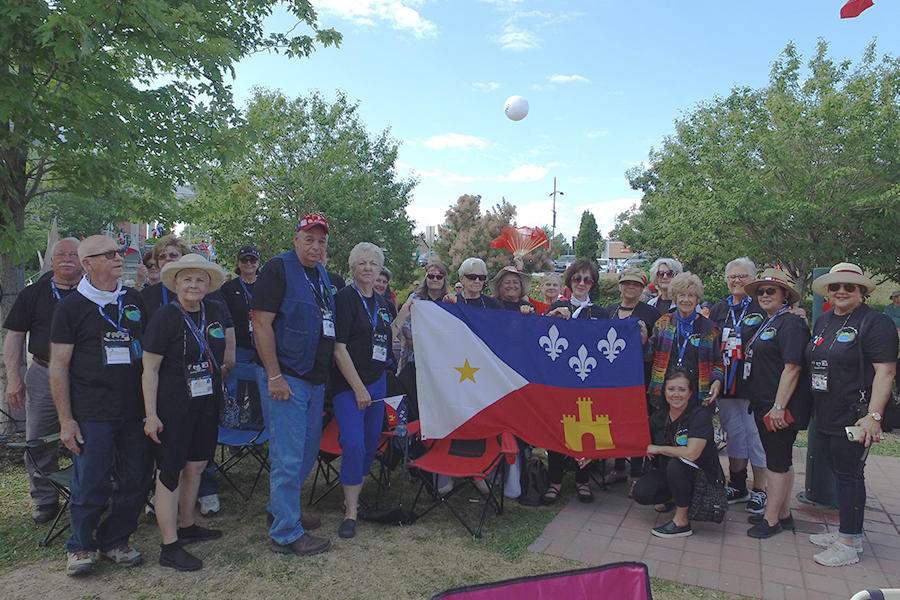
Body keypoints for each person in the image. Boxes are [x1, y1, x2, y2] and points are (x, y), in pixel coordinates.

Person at [49, 235, 148, 576]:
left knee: (136, 479)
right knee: (91, 483)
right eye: (109, 254)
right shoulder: (70, 307)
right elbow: (58, 366)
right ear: (87, 264)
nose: (119, 258)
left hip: (135, 410)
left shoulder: (133, 299)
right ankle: (80, 546)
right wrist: (66, 420)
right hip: (92, 412)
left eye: (120, 252)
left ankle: (115, 539)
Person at [805, 263, 898, 567]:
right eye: (835, 287)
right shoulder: (824, 320)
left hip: (855, 415)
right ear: (827, 292)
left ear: (861, 292)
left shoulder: (876, 322)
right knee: (843, 473)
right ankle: (851, 533)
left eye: (849, 286)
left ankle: (847, 543)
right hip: (826, 411)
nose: (841, 291)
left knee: (848, 476)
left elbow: (885, 372)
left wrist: (875, 415)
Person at [252, 212, 334, 557]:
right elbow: (260, 323)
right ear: (296, 239)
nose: (315, 246)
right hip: (286, 377)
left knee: (306, 450)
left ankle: (283, 509)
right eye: (309, 239)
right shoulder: (277, 269)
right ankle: (285, 533)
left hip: (314, 379)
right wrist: (274, 376)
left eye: (321, 241)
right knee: (287, 456)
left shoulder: (322, 276)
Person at [142, 255, 230, 570]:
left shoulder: (215, 311)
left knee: (196, 467)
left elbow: (220, 354)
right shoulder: (165, 317)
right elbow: (149, 369)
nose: (193, 285)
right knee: (169, 472)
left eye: (200, 280)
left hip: (205, 405)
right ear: (176, 283)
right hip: (173, 407)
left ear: (208, 285)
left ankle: (188, 525)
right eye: (187, 279)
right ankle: (169, 546)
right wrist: (151, 415)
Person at [3, 238, 82, 524]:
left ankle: (89, 491)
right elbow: (14, 337)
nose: (67, 259)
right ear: (51, 261)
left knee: (93, 435)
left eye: (74, 254)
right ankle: (45, 498)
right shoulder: (32, 294)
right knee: (38, 439)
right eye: (60, 254)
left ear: (84, 260)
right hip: (43, 373)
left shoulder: (94, 293)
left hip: (86, 376)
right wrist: (14, 378)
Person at [740, 269, 811, 539]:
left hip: (778, 406)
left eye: (771, 291)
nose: (765, 295)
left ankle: (771, 520)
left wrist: (779, 406)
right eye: (761, 291)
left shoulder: (790, 324)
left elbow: (792, 368)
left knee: (776, 463)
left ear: (785, 296)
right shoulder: (769, 322)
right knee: (780, 459)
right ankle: (783, 512)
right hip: (765, 403)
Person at [332, 243, 393, 539]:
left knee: (370, 443)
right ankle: (351, 512)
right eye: (362, 263)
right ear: (353, 268)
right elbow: (338, 348)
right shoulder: (343, 298)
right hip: (349, 384)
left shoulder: (382, 303)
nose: (368, 268)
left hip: (377, 380)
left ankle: (353, 494)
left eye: (373, 264)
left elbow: (384, 337)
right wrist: (357, 388)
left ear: (380, 269)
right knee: (353, 442)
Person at [542, 259, 613, 504]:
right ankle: (555, 481)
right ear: (569, 280)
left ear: (593, 284)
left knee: (586, 427)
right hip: (560, 380)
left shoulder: (601, 313)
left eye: (588, 279)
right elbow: (540, 337)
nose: (581, 283)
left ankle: (583, 480)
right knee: (558, 428)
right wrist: (552, 317)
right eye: (577, 278)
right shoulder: (558, 307)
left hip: (589, 381)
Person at [632, 367, 723, 539]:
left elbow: (692, 454)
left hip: (703, 477)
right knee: (642, 492)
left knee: (677, 463)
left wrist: (658, 449)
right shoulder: (659, 416)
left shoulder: (700, 415)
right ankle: (678, 498)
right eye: (671, 389)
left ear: (690, 393)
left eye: (682, 390)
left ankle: (682, 522)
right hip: (672, 473)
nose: (676, 394)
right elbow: (635, 440)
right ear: (664, 391)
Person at [708, 258, 769, 512]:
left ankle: (761, 489)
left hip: (753, 383)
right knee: (734, 434)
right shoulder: (719, 308)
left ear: (753, 280)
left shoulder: (761, 305)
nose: (737, 281)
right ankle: (738, 484)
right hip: (726, 383)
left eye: (743, 276)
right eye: (732, 276)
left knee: (755, 436)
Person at [603, 267, 660, 496]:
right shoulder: (609, 311)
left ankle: (636, 473)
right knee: (614, 421)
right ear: (620, 286)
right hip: (611, 378)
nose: (630, 288)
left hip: (639, 377)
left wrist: (645, 343)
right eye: (626, 283)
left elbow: (656, 351)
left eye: (635, 284)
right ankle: (618, 468)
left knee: (637, 423)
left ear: (642, 287)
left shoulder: (650, 313)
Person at [647, 272, 724, 410]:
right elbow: (649, 355)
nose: (686, 300)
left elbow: (718, 363)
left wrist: (717, 380)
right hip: (666, 392)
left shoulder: (708, 328)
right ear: (675, 298)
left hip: (697, 393)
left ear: (697, 299)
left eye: (691, 295)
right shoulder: (664, 323)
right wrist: (642, 342)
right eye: (682, 295)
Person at [220, 245, 263, 430]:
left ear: (258, 263)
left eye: (252, 260)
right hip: (238, 346)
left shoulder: (266, 286)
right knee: (235, 390)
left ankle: (259, 433)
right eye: (244, 260)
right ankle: (233, 431)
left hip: (261, 347)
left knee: (259, 391)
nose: (248, 263)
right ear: (238, 263)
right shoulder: (229, 288)